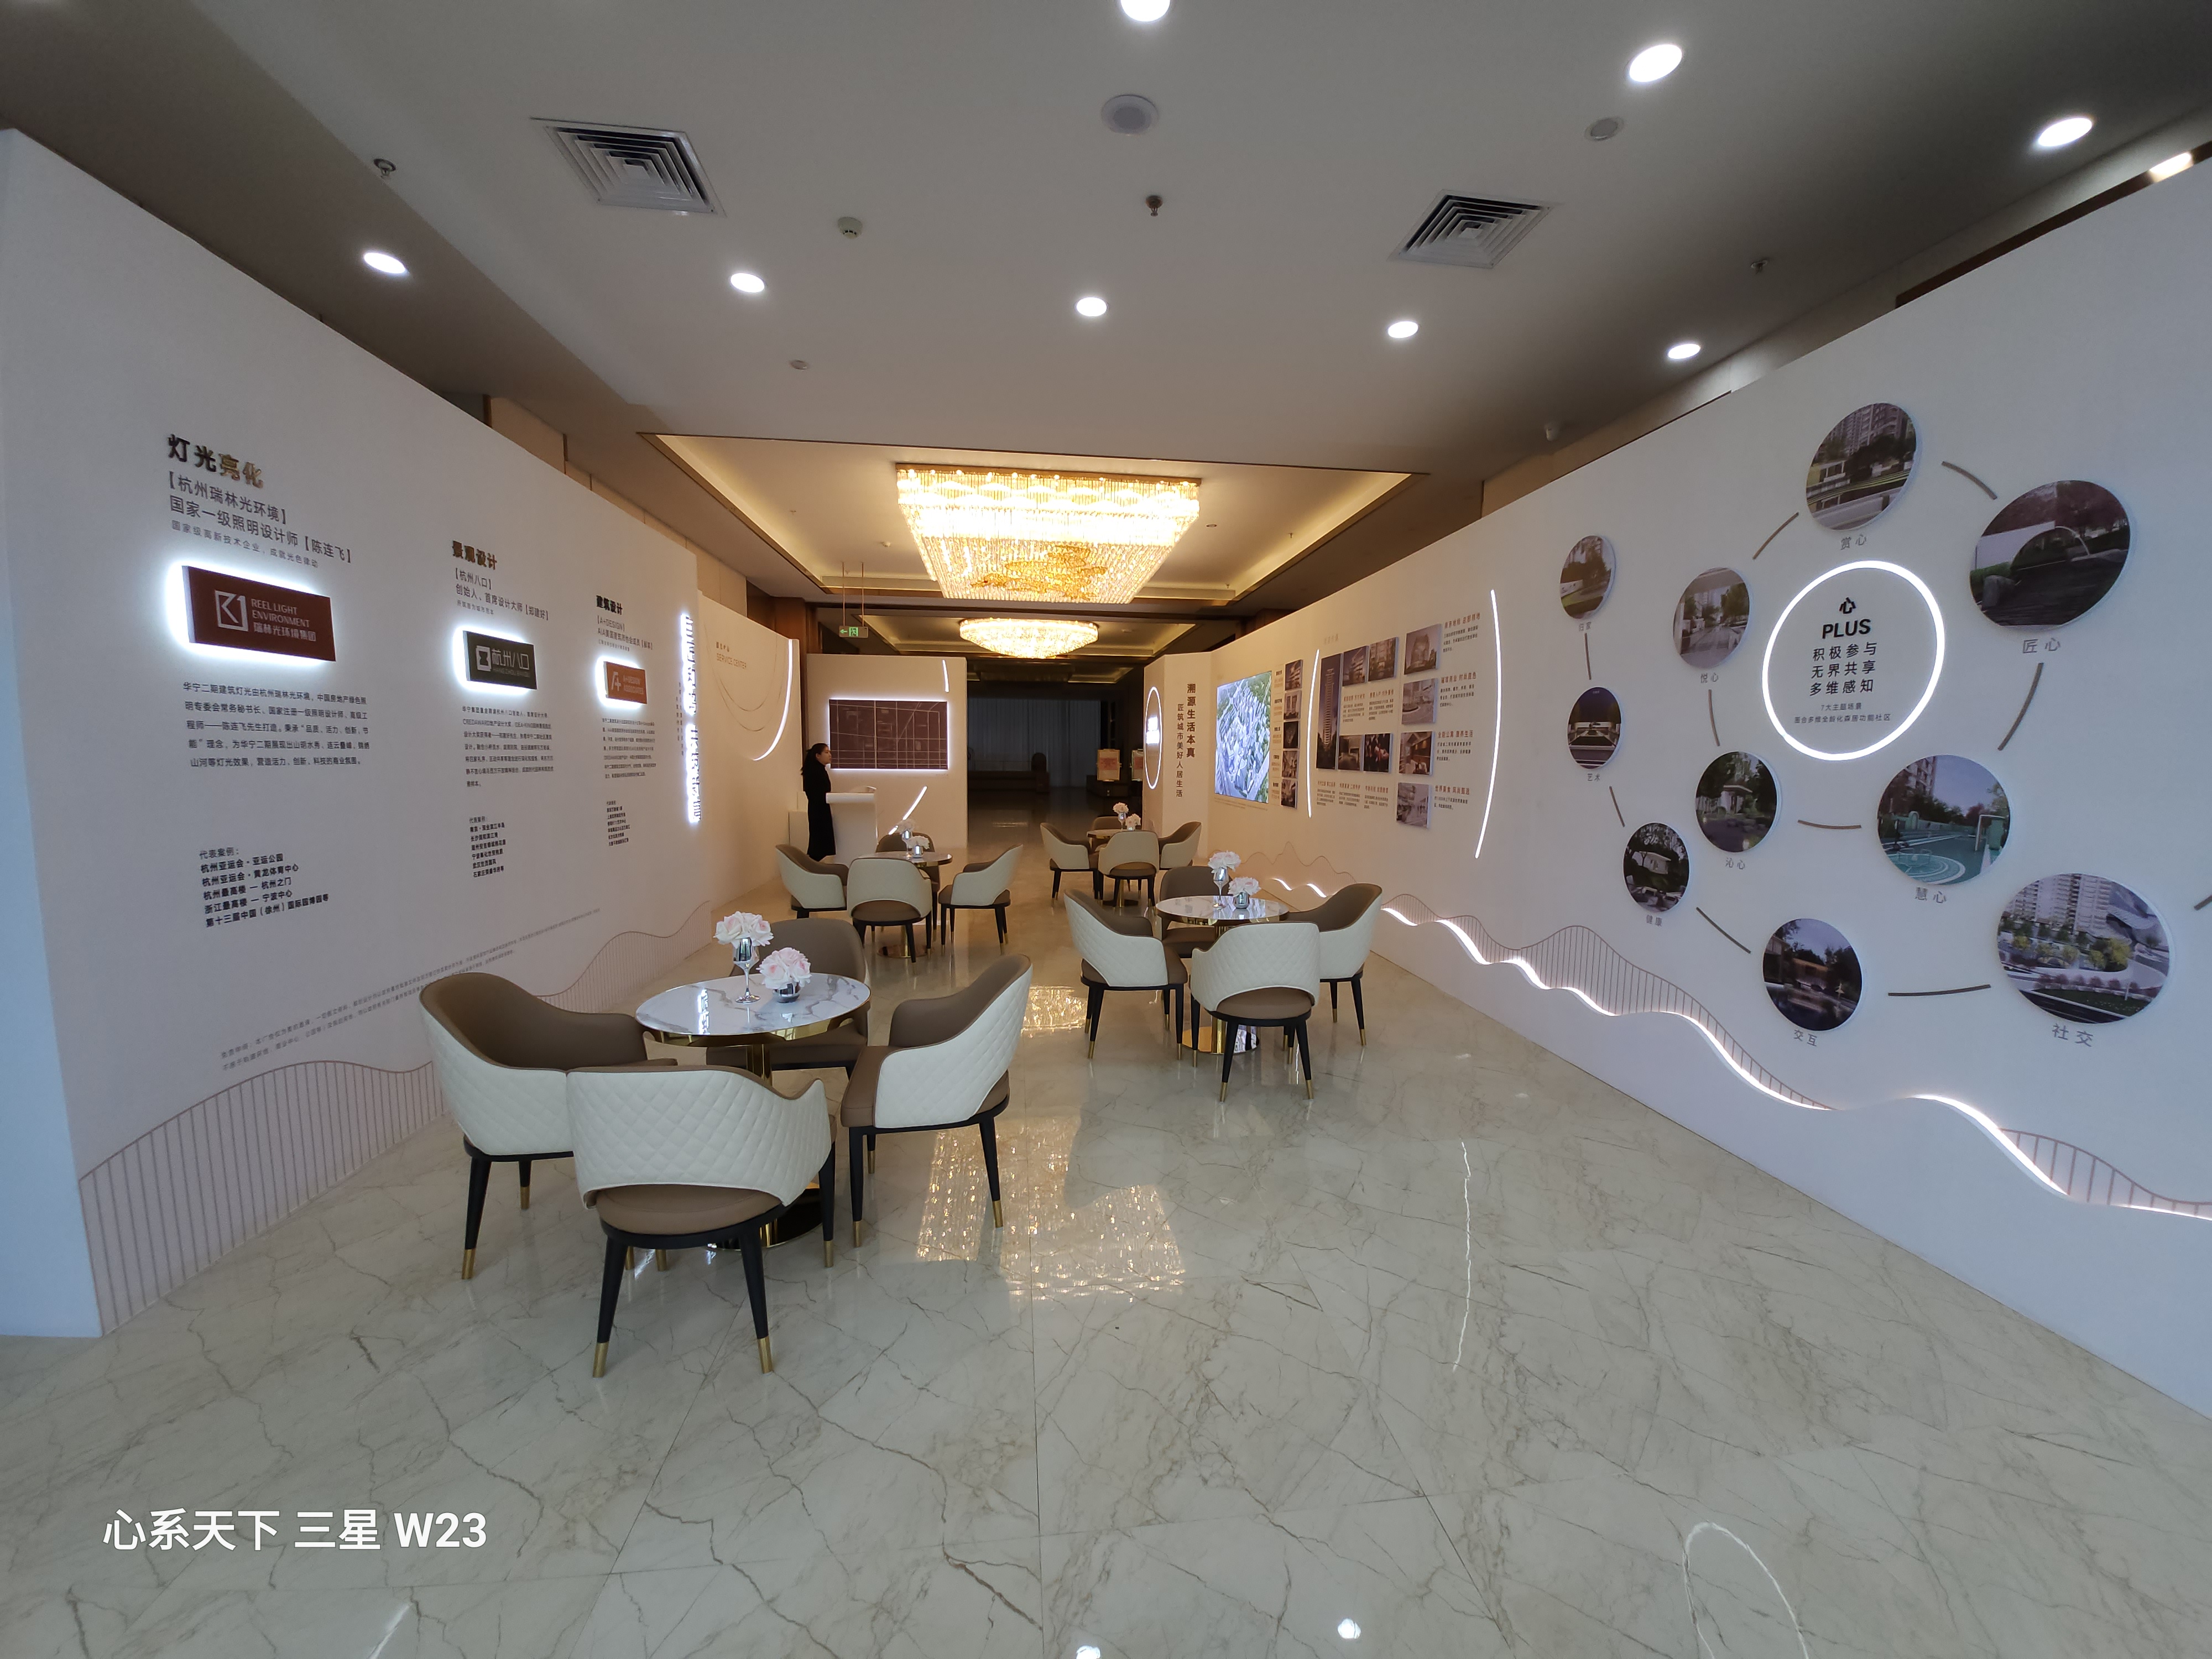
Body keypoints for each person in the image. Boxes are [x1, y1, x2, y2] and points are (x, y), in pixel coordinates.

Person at [802, 743, 836, 861]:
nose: (830, 755)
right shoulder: (815, 772)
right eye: (826, 752)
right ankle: (812, 866)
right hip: (819, 811)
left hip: (820, 810)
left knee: (820, 842)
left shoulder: (818, 770)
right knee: (819, 843)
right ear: (818, 756)